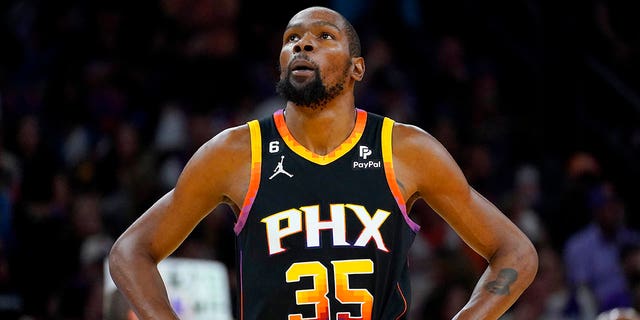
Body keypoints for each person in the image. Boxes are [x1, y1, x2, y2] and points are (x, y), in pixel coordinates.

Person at [108, 6, 538, 319]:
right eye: (291, 39)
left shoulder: (404, 149)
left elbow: (515, 251)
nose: (303, 43)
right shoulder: (236, 152)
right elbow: (130, 251)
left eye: (323, 36)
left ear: (356, 69)